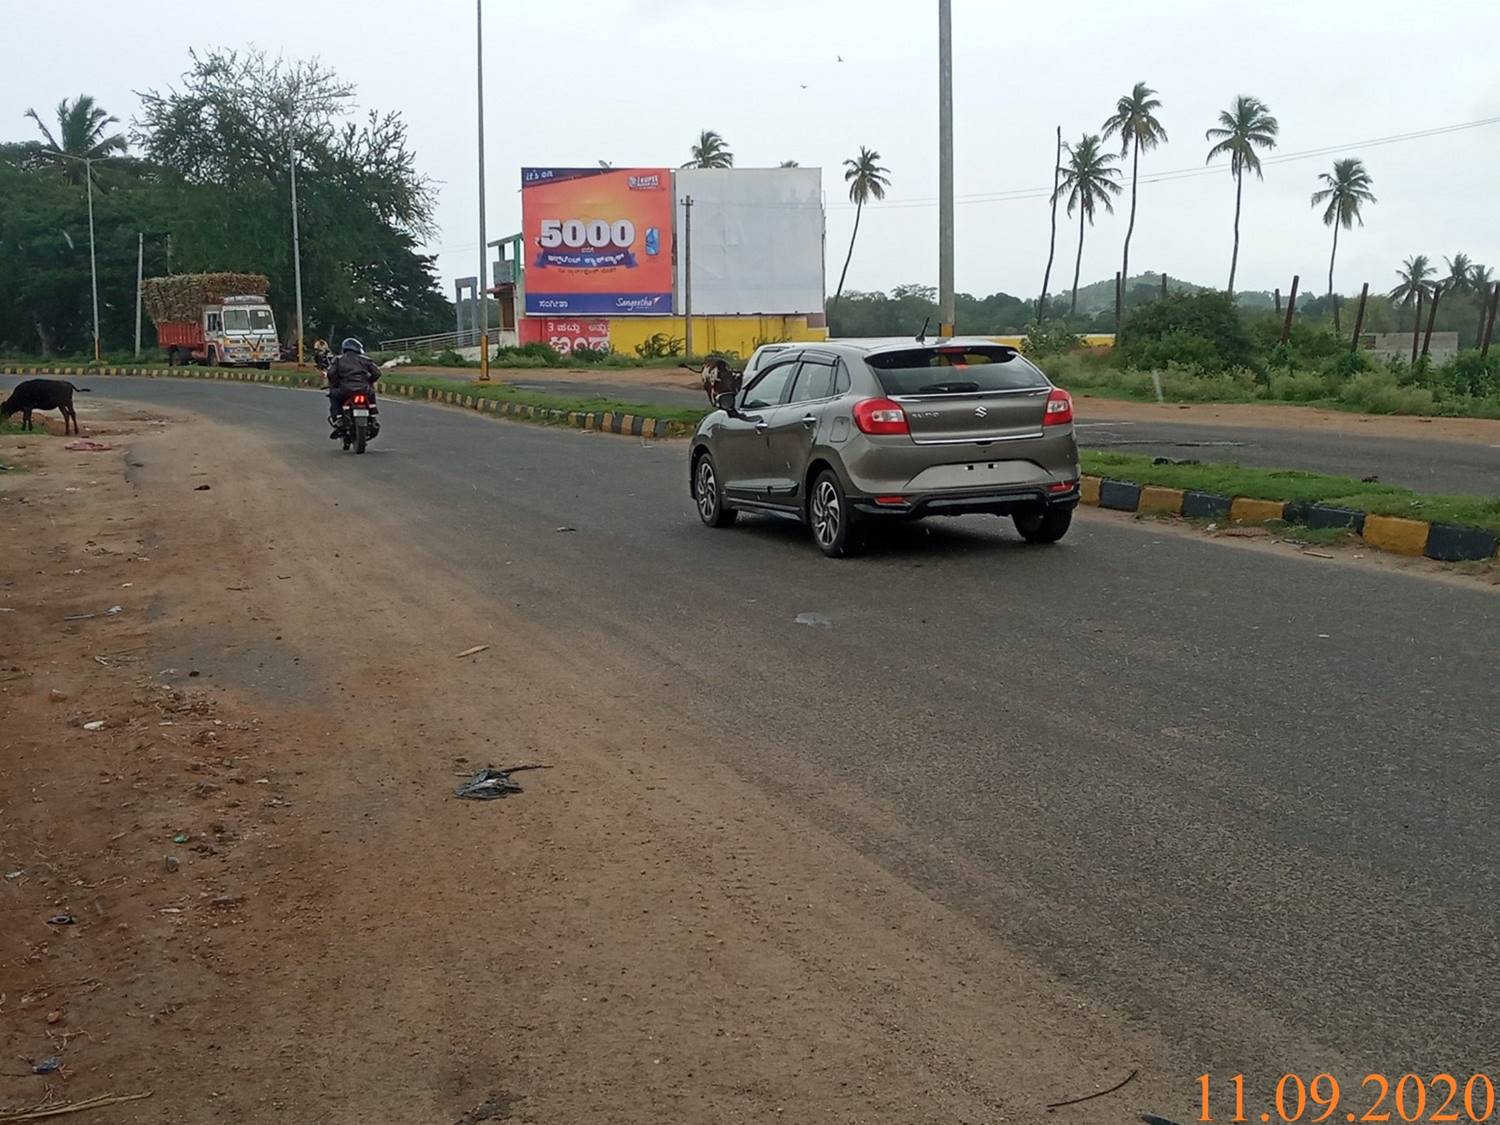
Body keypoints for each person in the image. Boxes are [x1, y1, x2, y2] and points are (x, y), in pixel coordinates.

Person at [326, 337, 381, 434]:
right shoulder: (366, 360)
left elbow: (331, 373)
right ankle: (373, 415)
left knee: (333, 395)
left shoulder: (338, 359)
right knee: (371, 392)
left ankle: (339, 418)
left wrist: (335, 383)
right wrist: (369, 381)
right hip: (364, 389)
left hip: (344, 390)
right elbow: (377, 373)